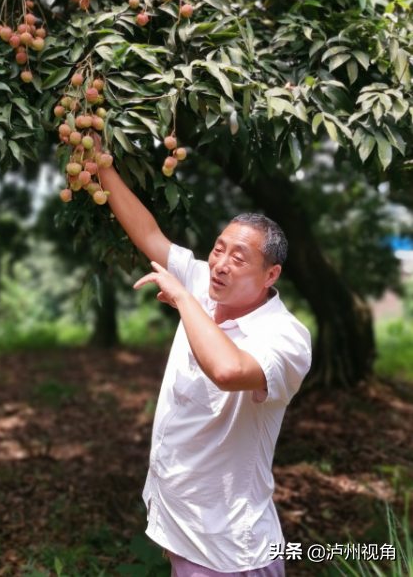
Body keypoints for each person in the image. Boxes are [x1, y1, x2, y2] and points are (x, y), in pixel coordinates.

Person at [96, 156, 312, 577]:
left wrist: (183, 299)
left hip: (229, 550)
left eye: (239, 257)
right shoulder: (201, 284)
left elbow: (228, 371)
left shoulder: (287, 337)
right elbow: (147, 233)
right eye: (218, 249)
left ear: (271, 275)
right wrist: (101, 166)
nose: (220, 264)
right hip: (186, 532)